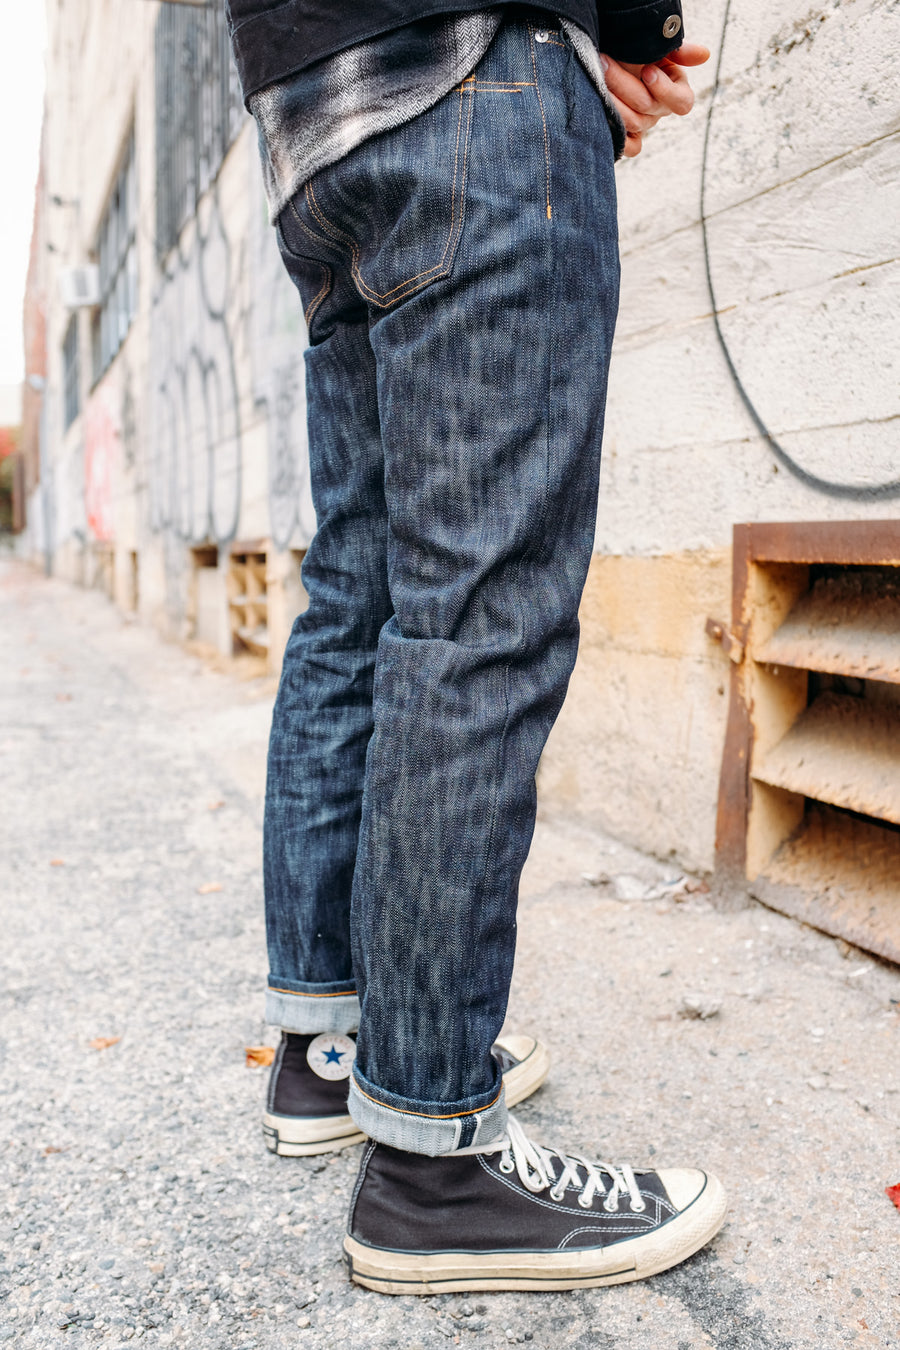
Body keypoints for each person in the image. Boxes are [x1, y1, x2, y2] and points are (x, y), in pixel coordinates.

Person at [226, 0, 727, 1293]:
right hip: (465, 66)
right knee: (476, 616)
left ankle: (328, 1049)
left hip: (307, 120)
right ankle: (432, 1160)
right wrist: (627, 20)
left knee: (361, 586)